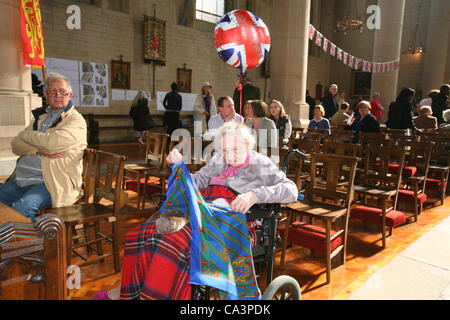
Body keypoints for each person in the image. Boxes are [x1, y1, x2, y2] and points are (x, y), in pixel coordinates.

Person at [119, 122, 298, 300]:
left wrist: (255, 195)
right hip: (204, 212)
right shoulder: (219, 159)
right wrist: (180, 167)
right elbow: (197, 182)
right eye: (225, 150)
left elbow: (291, 190)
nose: (229, 156)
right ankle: (143, 292)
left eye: (235, 149)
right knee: (149, 230)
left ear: (246, 145)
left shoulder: (261, 164)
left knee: (177, 241)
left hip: (231, 221)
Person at [0, 72, 87, 221]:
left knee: (20, 211)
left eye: (62, 91)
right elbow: (16, 146)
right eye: (53, 91)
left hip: (52, 182)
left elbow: (52, 144)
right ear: (46, 94)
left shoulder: (76, 121)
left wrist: (25, 136)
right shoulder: (41, 117)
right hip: (22, 178)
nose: (58, 95)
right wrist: (38, 149)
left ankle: (25, 244)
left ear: (70, 95)